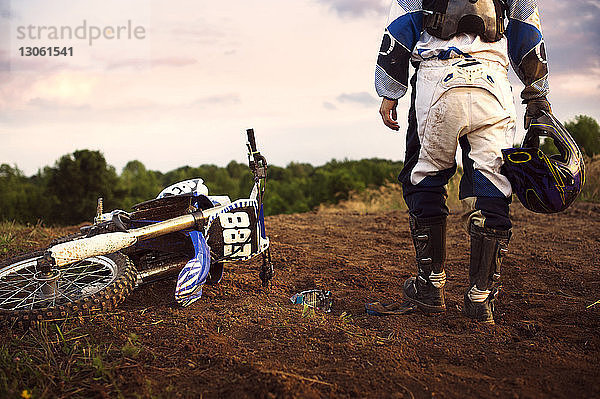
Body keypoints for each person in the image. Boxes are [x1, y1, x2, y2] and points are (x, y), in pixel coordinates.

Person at [366, 0, 551, 323]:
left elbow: (399, 29)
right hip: (493, 84)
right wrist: (537, 95)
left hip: (437, 79)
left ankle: (430, 285)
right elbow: (527, 30)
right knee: (495, 186)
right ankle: (481, 297)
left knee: (425, 177)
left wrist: (389, 91)